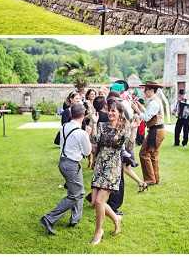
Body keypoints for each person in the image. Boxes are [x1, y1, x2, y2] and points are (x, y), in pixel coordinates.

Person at [40, 103, 91, 235]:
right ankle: (49, 218)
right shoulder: (81, 133)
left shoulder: (64, 126)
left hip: (63, 162)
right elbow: (87, 151)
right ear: (83, 115)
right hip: (71, 164)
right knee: (76, 194)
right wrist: (88, 135)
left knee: (78, 191)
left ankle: (75, 219)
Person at [88, 99, 129, 245]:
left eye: (114, 111)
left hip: (112, 168)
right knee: (94, 202)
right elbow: (94, 141)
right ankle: (116, 218)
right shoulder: (102, 125)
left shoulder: (123, 127)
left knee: (100, 201)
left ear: (119, 113)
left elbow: (117, 143)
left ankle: (99, 231)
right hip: (99, 166)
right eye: (109, 110)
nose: (111, 113)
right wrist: (93, 123)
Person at [131, 81, 166, 186]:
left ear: (151, 90)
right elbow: (148, 113)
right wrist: (140, 106)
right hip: (157, 130)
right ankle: (155, 178)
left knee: (144, 153)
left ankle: (150, 179)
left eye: (145, 90)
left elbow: (146, 117)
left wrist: (136, 109)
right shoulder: (155, 101)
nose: (144, 92)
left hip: (155, 131)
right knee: (153, 154)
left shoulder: (154, 102)